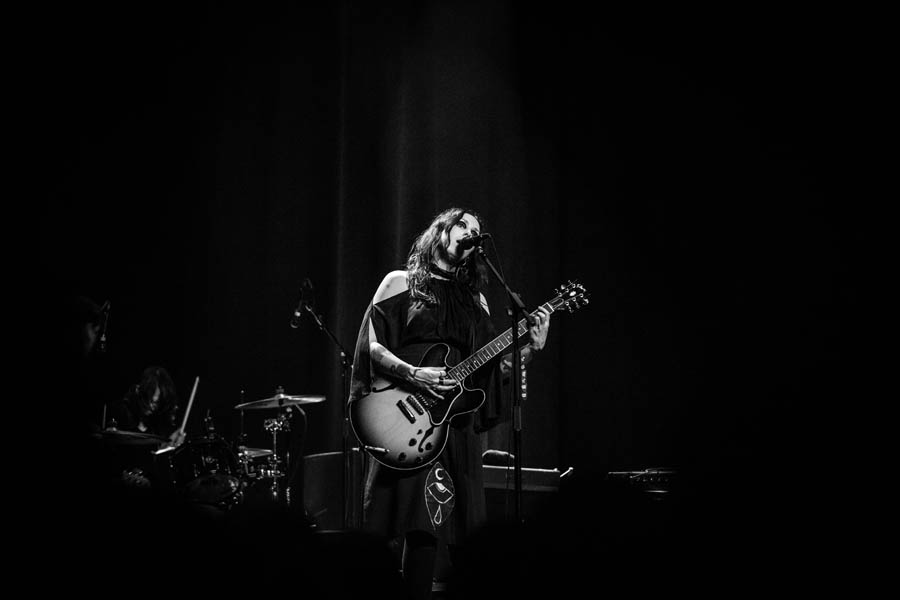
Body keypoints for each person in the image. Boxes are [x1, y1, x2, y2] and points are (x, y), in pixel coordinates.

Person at [349, 208, 550, 599]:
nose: (470, 233)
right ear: (440, 230)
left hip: (454, 421)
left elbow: (494, 371)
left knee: (445, 526)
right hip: (405, 413)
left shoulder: (476, 301)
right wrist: (413, 373)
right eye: (462, 224)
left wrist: (530, 348)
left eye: (476, 230)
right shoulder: (400, 282)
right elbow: (370, 345)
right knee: (396, 519)